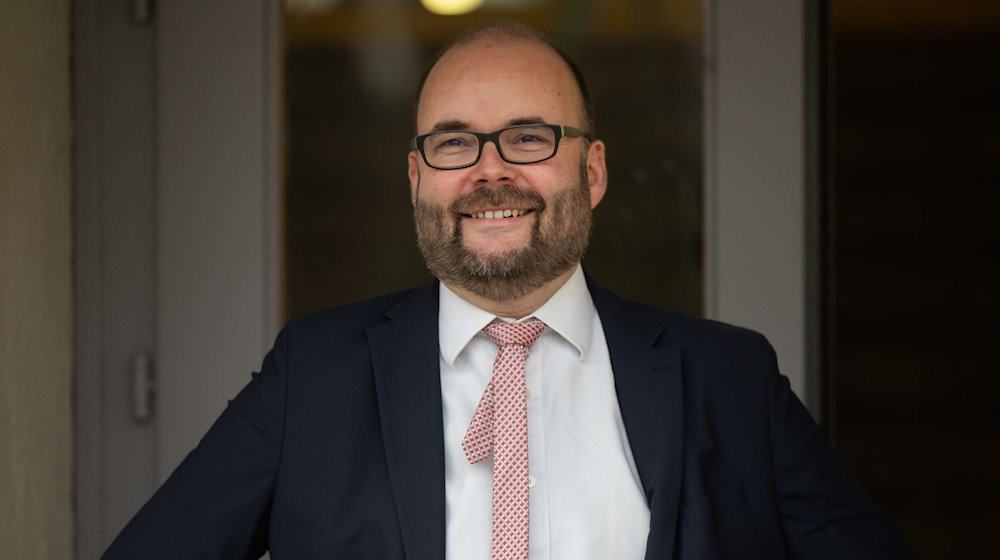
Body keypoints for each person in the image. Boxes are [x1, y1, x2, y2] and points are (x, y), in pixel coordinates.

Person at [104, 21, 915, 560]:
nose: (490, 169)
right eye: (455, 143)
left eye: (528, 136)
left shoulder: (729, 377)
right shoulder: (311, 376)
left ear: (591, 171)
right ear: (417, 179)